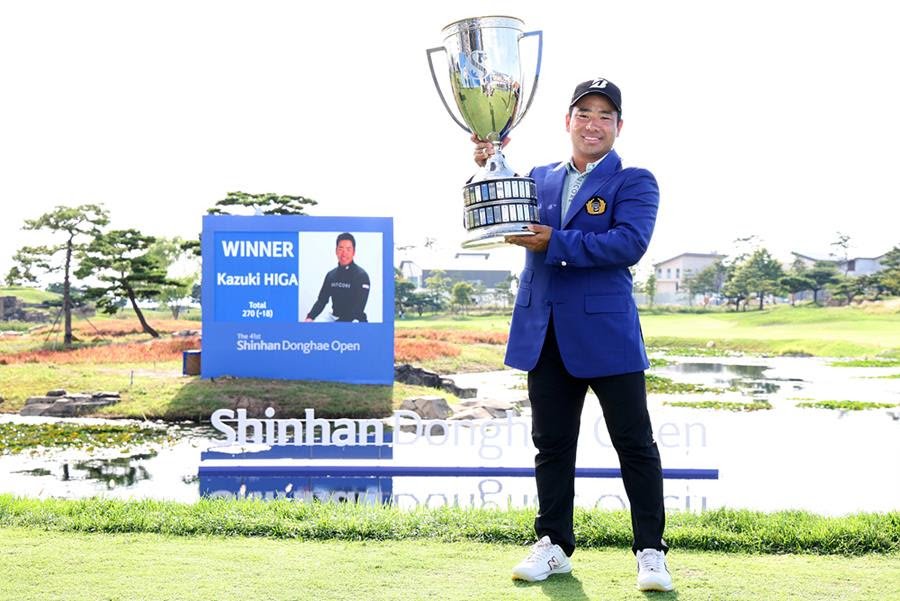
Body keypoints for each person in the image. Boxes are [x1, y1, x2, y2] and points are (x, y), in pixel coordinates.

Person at [473, 77, 673, 592]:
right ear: (568, 121)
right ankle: (554, 545)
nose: (593, 124)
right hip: (544, 332)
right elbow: (500, 210)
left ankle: (650, 552)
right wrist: (490, 161)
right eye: (584, 113)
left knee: (635, 445)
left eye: (605, 116)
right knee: (552, 445)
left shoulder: (634, 181)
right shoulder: (538, 177)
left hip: (608, 335)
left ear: (619, 126)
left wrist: (555, 241)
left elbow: (628, 244)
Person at [304, 232, 370, 322]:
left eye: (348, 249)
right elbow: (322, 300)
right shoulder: (331, 275)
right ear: (336, 251)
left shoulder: (361, 276)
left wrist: (337, 325)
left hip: (355, 319)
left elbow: (358, 309)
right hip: (334, 317)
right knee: (314, 325)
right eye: (341, 249)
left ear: (354, 252)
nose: (344, 253)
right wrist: (310, 317)